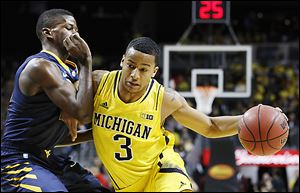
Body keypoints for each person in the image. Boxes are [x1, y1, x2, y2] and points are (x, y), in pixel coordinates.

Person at [66, 37, 288, 192]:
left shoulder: (165, 99)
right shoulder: (98, 82)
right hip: (125, 185)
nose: (134, 74)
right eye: (131, 65)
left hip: (161, 170)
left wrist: (248, 121)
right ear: (123, 61)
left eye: (143, 69)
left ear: (154, 72)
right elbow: (64, 96)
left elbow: (209, 126)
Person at [1, 9, 104, 192]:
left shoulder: (68, 70)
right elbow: (83, 114)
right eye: (69, 28)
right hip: (18, 159)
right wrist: (86, 60)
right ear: (48, 33)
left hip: (47, 156)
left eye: (77, 30)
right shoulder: (40, 66)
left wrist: (99, 132)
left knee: (95, 188)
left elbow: (55, 137)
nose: (76, 35)